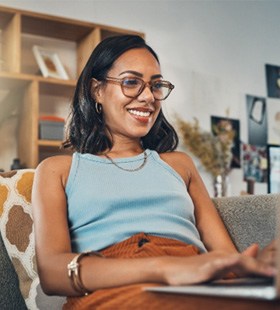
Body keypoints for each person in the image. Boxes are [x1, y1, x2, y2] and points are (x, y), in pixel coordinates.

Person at [32, 35, 275, 309]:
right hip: (114, 285)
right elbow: (52, 273)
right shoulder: (57, 170)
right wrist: (164, 268)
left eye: (155, 85)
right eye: (131, 82)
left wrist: (259, 268)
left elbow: (226, 258)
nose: (148, 97)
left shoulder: (179, 165)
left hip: (196, 280)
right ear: (96, 90)